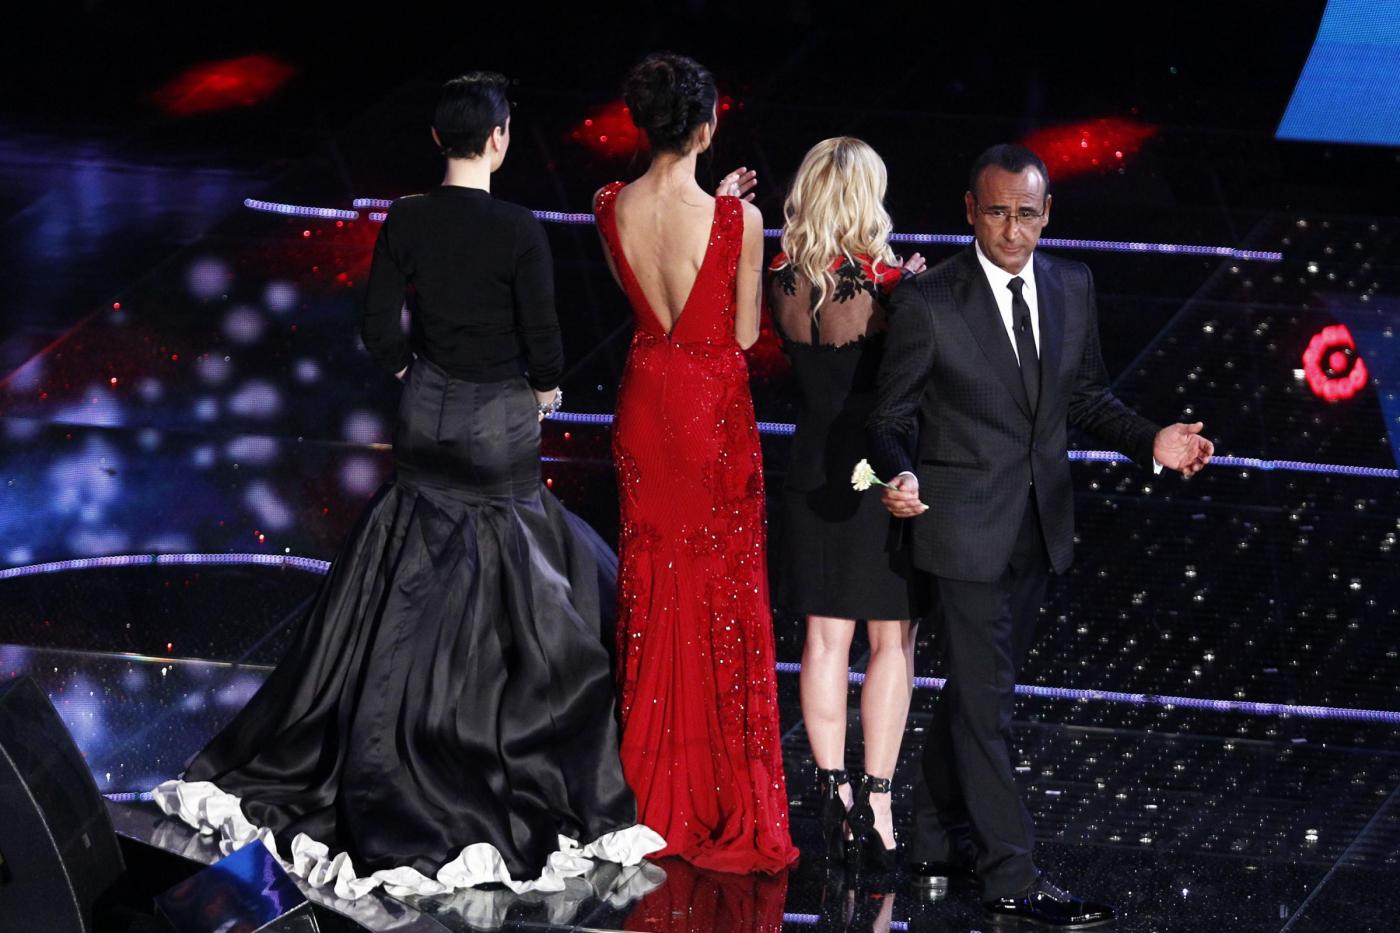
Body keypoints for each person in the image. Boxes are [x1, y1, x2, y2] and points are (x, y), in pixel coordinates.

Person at [153, 72, 663, 900]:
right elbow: (544, 340)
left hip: (426, 414)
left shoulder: (408, 217)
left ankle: (390, 729)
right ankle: (491, 740)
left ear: (436, 140)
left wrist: (414, 374)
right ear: (498, 139)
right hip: (498, 424)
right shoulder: (518, 227)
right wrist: (544, 391)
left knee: (409, 559)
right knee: (517, 566)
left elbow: (375, 325)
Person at [869, 143, 1213, 927]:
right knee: (988, 706)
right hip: (960, 528)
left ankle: (932, 837)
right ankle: (1011, 876)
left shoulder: (1070, 284)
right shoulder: (930, 300)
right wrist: (902, 473)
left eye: (1026, 214)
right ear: (970, 211)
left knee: (979, 691)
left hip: (1039, 526)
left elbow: (1086, 397)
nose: (1011, 229)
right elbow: (888, 419)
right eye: (996, 213)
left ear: (1047, 213)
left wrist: (1151, 440)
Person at [593, 51, 799, 874]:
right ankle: (716, 793)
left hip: (647, 396)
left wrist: (719, 214)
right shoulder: (739, 221)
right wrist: (729, 220)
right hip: (710, 406)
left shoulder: (606, 204)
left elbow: (641, 292)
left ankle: (649, 783)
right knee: (720, 588)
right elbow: (743, 334)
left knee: (654, 585)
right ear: (707, 127)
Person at [767, 137, 925, 874]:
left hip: (811, 471)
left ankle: (831, 794)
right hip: (879, 474)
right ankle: (879, 806)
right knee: (891, 642)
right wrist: (915, 296)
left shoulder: (782, 277)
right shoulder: (891, 285)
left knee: (824, 641)